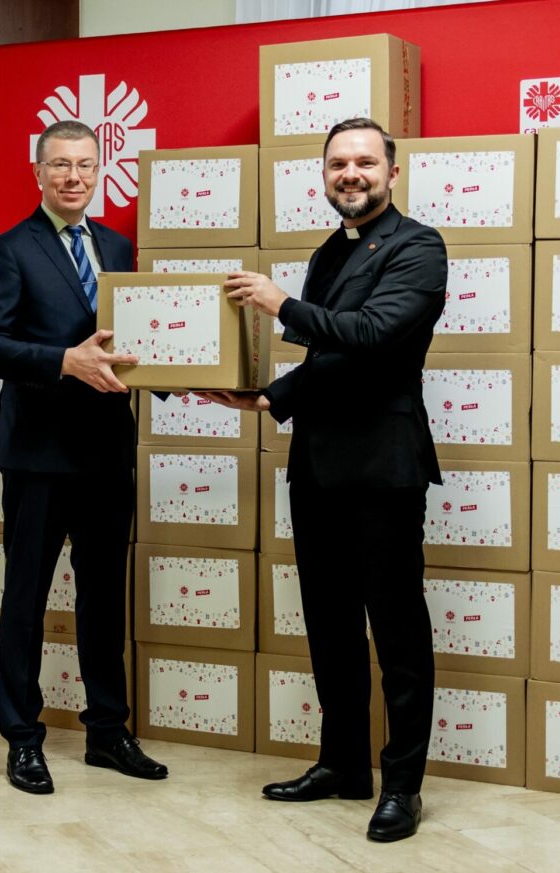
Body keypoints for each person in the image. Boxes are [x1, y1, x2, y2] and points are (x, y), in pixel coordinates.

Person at [199, 117, 445, 842]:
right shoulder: (327, 252)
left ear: (392, 172)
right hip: (316, 466)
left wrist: (279, 304)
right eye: (338, 163)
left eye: (365, 161)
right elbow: (327, 361)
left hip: (383, 468)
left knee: (397, 632)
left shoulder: (418, 247)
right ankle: (342, 764)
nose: (351, 174)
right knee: (329, 626)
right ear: (325, 175)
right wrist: (266, 398)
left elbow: (374, 337)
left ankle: (402, 785)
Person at [0, 119, 168, 795]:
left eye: (85, 164)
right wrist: (64, 361)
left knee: (104, 600)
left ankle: (108, 731)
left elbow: (134, 338)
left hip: (107, 452)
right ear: (38, 171)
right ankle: (22, 739)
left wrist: (184, 371)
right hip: (38, 454)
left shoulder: (116, 246)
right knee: (26, 599)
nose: (73, 177)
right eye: (60, 164)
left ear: (98, 171)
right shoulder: (9, 249)